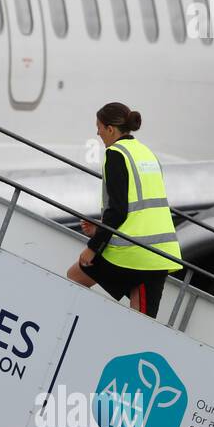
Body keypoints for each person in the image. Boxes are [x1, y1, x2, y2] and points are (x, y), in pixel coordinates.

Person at [66, 102, 182, 316]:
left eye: (99, 127)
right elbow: (140, 206)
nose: (97, 133)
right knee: (141, 321)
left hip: (134, 252)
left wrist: (94, 246)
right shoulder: (146, 153)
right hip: (158, 252)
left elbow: (118, 211)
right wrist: (100, 228)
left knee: (75, 278)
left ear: (110, 129)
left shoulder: (116, 154)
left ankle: (74, 332)